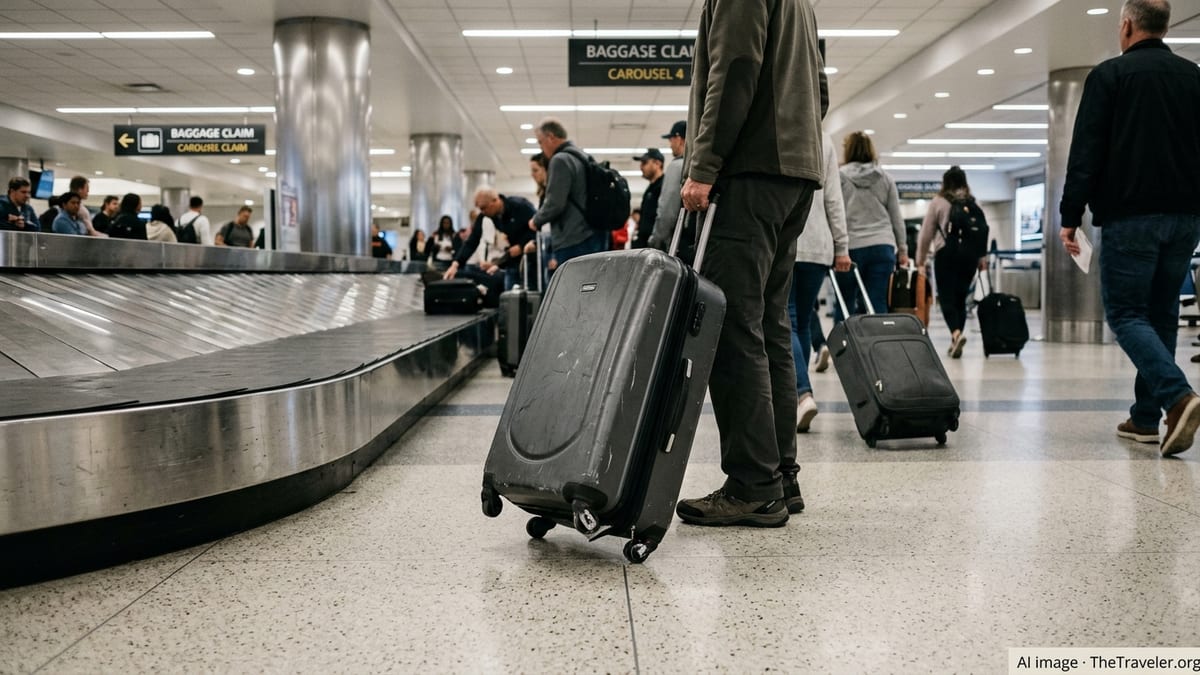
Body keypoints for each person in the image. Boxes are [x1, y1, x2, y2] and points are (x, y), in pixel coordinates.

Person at [674, 0, 827, 527]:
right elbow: (819, 90)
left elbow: (735, 67)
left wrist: (703, 164)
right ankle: (780, 474)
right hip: (793, 172)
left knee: (732, 327)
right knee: (768, 325)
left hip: (749, 172)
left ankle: (753, 484)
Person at [1059, 0, 1200, 457]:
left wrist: (1069, 215)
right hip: (1186, 218)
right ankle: (1144, 419)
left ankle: (1177, 397)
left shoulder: (1110, 76)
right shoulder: (1193, 76)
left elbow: (1087, 150)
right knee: (1160, 314)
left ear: (1126, 26)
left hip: (1131, 216)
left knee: (1125, 313)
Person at [789, 133, 851, 432]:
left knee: (784, 321)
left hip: (785, 243)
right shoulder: (823, 140)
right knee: (800, 322)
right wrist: (842, 247)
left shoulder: (779, 129)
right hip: (818, 246)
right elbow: (833, 200)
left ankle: (801, 394)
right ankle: (798, 394)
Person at [916, 166, 988, 359]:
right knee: (960, 298)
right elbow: (980, 233)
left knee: (946, 297)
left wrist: (920, 260)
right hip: (970, 257)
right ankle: (956, 337)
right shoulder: (973, 202)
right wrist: (982, 258)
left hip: (946, 254)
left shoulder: (938, 202)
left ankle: (956, 333)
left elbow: (926, 234)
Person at [835, 131, 908, 319]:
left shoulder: (839, 177)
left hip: (851, 248)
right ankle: (877, 347)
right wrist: (902, 250)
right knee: (877, 303)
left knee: (845, 303)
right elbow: (896, 218)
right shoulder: (885, 178)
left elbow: (834, 212)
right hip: (882, 247)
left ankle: (842, 347)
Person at [529, 117, 609, 272]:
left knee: (573, 289)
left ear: (551, 137)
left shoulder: (560, 160)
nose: (541, 148)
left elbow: (555, 202)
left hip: (573, 238)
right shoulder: (582, 156)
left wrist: (536, 220)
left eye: (540, 142)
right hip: (593, 233)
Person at [447, 188, 538, 290]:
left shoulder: (521, 206)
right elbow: (472, 241)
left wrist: (522, 245)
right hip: (513, 262)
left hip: (532, 259)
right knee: (510, 297)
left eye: (484, 208)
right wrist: (456, 264)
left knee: (532, 293)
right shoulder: (486, 215)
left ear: (495, 200)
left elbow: (539, 228)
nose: (483, 212)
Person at [651, 120, 687, 250]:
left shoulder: (677, 166)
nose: (670, 144)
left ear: (678, 139)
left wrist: (657, 239)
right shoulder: (699, 166)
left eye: (671, 140)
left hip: (678, 243)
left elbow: (667, 210)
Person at [631, 148, 664, 249]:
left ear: (657, 163)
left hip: (656, 245)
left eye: (644, 163)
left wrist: (656, 239)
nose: (641, 167)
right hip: (645, 243)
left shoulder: (663, 186)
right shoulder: (650, 188)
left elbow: (664, 215)